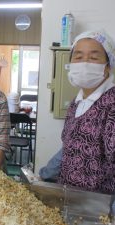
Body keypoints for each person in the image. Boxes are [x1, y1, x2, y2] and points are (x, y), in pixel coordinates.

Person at [39, 30, 115, 194]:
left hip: (99, 208)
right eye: (78, 57)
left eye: (94, 57)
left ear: (108, 66)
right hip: (70, 200)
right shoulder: (76, 103)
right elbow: (69, 148)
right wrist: (44, 176)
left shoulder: (111, 104)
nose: (85, 63)